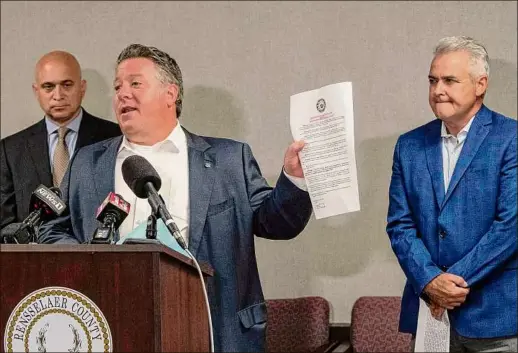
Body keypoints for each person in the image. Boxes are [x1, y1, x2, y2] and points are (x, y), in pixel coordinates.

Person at [38, 44, 312, 352]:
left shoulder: (228, 159)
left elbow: (277, 223)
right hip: (113, 324)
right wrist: (90, 260)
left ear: (171, 93)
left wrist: (293, 177)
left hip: (214, 330)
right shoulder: (88, 162)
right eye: (117, 87)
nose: (122, 94)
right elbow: (53, 229)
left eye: (135, 83)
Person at [387, 36, 517, 351]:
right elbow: (399, 225)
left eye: (449, 80)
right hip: (431, 316)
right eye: (432, 81)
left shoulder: (510, 138)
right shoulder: (409, 145)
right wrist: (430, 281)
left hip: (496, 317)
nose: (437, 90)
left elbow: (510, 225)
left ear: (480, 84)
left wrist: (447, 283)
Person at [0, 50, 121, 229]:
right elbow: (5, 225)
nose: (58, 95)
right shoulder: (10, 150)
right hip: (35, 255)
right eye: (48, 86)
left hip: (98, 253)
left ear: (82, 87)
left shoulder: (115, 137)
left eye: (67, 85)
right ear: (36, 91)